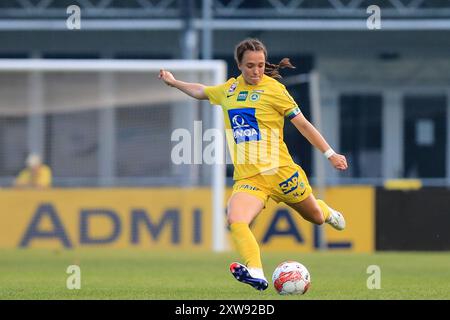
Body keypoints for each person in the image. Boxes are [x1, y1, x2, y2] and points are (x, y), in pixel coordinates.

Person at [159, 38, 348, 291]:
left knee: (314, 217)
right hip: (250, 179)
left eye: (260, 65)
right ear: (239, 64)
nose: (256, 71)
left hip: (281, 173)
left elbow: (303, 125)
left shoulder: (275, 90)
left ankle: (327, 212)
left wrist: (330, 154)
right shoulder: (229, 90)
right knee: (235, 219)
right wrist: (174, 83)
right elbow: (202, 91)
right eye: (250, 66)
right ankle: (256, 272)